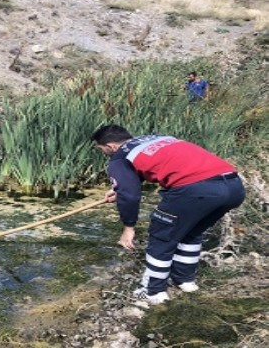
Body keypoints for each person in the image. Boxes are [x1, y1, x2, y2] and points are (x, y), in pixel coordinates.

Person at [91, 124, 244, 305]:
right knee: (190, 232)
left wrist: (128, 227)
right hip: (234, 186)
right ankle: (185, 281)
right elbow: (153, 168)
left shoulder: (119, 157)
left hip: (196, 190)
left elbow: (131, 196)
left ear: (111, 146)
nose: (105, 154)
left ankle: (152, 292)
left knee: (162, 237)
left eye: (102, 150)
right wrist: (119, 190)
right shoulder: (158, 138)